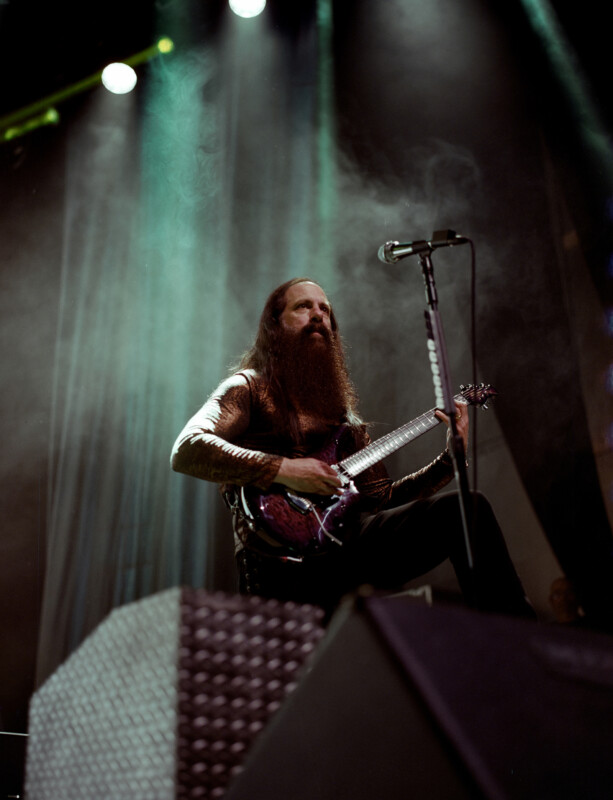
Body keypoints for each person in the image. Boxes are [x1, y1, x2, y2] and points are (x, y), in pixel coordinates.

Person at [171, 277, 534, 620]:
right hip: (277, 562)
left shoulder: (342, 418)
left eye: (325, 310)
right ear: (274, 325)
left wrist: (447, 463)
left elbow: (379, 499)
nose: (318, 315)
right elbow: (188, 448)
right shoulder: (247, 387)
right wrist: (286, 470)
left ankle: (520, 650)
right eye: (303, 307)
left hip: (345, 547)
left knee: (466, 509)